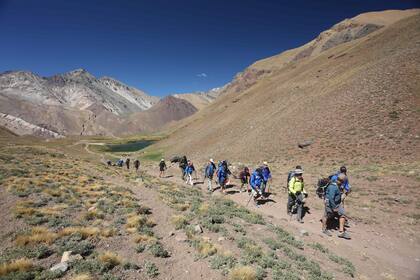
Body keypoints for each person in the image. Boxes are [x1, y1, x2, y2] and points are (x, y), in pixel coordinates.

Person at [321, 173, 351, 239]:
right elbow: (331, 198)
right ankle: (324, 229)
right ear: (342, 181)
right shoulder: (333, 187)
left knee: (342, 214)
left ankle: (341, 232)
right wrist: (334, 207)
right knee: (326, 215)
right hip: (330, 204)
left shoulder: (338, 185)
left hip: (337, 204)